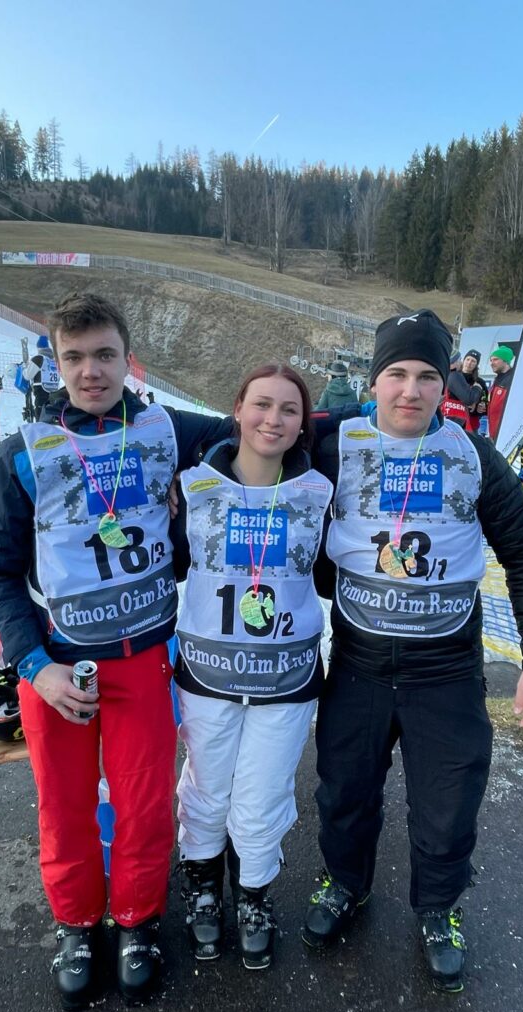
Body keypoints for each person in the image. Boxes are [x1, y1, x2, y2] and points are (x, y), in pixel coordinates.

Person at [0, 291, 232, 1010]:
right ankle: (77, 924)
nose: (91, 371)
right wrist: (34, 666)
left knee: (144, 806)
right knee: (64, 808)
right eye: (75, 357)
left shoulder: (165, 428)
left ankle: (138, 920)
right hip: (58, 664)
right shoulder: (22, 453)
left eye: (105, 355)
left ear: (128, 358)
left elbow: (251, 429)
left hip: (142, 656)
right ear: (56, 364)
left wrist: (377, 416)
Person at [302, 310, 523, 994]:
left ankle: (439, 908)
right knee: (344, 791)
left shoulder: (472, 455)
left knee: (448, 804)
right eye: (396, 374)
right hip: (358, 662)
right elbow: (251, 448)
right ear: (374, 381)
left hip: (445, 669)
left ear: (445, 383)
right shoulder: (335, 445)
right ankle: (346, 883)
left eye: (425, 376)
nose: (410, 390)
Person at [172, 364, 332, 971]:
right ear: (236, 409)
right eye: (261, 404)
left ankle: (254, 894)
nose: (273, 419)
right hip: (209, 674)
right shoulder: (191, 487)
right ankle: (202, 885)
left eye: (289, 409)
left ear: (303, 424)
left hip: (284, 678)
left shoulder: (320, 492)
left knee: (262, 796)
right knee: (207, 790)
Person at [441, 350, 483, 429]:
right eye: (460, 360)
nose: (461, 363)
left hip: (448, 418)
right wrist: (477, 388)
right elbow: (469, 398)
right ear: (455, 362)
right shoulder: (454, 375)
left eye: (473, 361)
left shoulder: (444, 374)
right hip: (454, 421)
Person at [23, 335, 61, 420]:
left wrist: (24, 369)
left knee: (41, 418)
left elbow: (28, 375)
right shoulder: (54, 361)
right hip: (54, 394)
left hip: (41, 392)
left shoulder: (39, 358)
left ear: (39, 348)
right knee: (51, 418)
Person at [486, 344, 515, 442]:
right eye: (491, 360)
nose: (491, 363)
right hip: (494, 433)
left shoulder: (512, 379)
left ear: (505, 361)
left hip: (505, 435)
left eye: (495, 360)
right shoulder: (498, 379)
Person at [460, 349, 489, 433]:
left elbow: (485, 399)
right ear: (463, 360)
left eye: (473, 361)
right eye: (468, 359)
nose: (469, 363)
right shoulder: (454, 377)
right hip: (454, 418)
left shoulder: (480, 382)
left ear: (476, 364)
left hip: (471, 422)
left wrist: (481, 405)